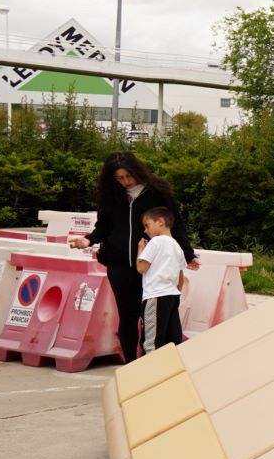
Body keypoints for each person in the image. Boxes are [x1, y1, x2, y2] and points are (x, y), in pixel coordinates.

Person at [70, 152, 198, 362]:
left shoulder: (157, 193)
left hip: (151, 268)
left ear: (137, 171)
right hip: (120, 266)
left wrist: (187, 254)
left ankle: (161, 363)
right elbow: (103, 226)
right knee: (127, 317)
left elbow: (176, 225)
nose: (125, 182)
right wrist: (88, 240)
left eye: (128, 176)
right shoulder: (111, 196)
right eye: (119, 178)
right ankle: (130, 363)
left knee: (156, 319)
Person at [135, 207, 187, 355]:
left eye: (147, 225)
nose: (145, 230)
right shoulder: (177, 246)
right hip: (172, 296)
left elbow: (141, 267)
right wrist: (174, 292)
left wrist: (140, 249)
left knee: (151, 343)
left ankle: (150, 375)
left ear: (160, 222)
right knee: (173, 341)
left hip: (155, 295)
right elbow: (180, 278)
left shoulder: (155, 242)